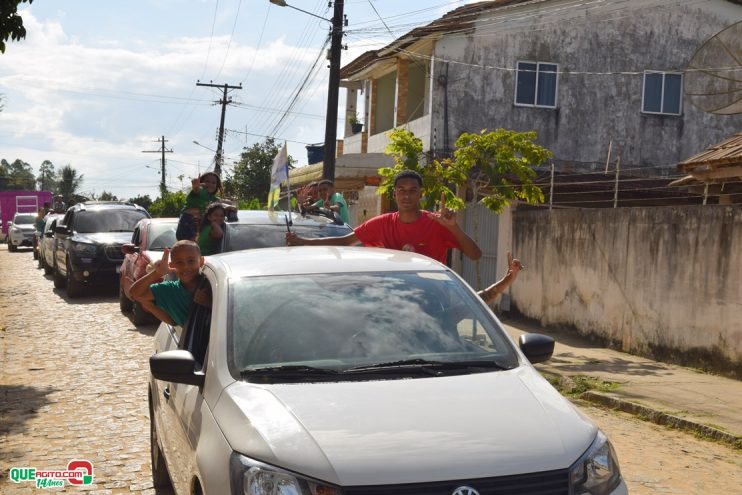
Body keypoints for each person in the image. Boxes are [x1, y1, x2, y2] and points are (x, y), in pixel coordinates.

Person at [286, 169, 482, 264]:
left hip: (434, 303)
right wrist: (302, 241)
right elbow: (345, 241)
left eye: (413, 190)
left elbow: (476, 255)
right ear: (394, 194)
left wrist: (453, 227)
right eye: (401, 190)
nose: (407, 195)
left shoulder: (436, 223)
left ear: (421, 193)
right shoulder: (382, 223)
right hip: (392, 301)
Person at [129, 240, 209, 326]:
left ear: (201, 261)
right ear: (171, 265)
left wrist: (210, 303)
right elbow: (134, 293)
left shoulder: (211, 286)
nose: (185, 266)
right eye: (179, 262)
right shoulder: (170, 291)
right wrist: (157, 273)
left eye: (191, 261)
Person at [176, 172, 222, 241]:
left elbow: (222, 203)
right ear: (201, 182)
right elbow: (196, 190)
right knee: (187, 245)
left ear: (217, 185)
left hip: (198, 225)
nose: (210, 184)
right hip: (188, 222)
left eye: (213, 183)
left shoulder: (213, 198)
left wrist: (231, 206)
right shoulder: (201, 191)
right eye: (207, 181)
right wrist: (196, 186)